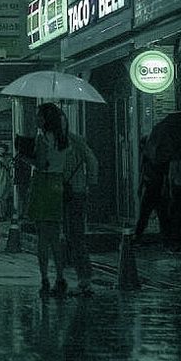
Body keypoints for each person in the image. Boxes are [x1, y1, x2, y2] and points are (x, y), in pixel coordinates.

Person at [31, 104, 69, 298]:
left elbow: (40, 164)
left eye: (39, 115)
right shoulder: (63, 139)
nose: (36, 118)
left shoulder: (42, 138)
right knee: (55, 235)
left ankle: (45, 278)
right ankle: (60, 277)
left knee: (42, 238)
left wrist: (26, 157)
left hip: (43, 185)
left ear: (45, 119)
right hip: (57, 184)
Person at [61, 117, 99, 296]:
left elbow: (91, 160)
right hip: (61, 193)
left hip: (73, 192)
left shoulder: (73, 140)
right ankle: (77, 277)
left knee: (75, 236)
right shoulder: (49, 139)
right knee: (69, 236)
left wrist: (89, 182)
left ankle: (84, 278)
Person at [133, 135, 171, 245]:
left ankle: (139, 236)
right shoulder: (148, 156)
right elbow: (143, 172)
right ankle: (165, 238)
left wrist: (141, 186)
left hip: (155, 188)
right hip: (152, 187)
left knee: (152, 214)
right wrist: (140, 185)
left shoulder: (157, 157)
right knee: (154, 214)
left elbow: (163, 174)